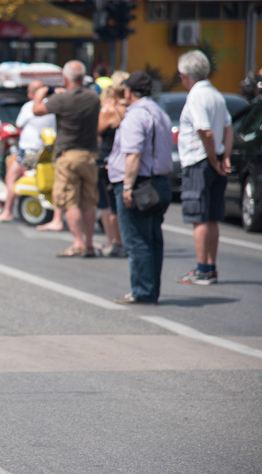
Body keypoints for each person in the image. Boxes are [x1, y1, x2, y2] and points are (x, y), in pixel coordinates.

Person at [107, 71, 173, 304]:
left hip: (140, 185)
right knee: (152, 238)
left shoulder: (136, 115)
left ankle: (143, 292)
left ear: (128, 92)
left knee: (137, 241)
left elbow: (133, 154)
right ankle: (149, 289)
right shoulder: (159, 112)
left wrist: (127, 187)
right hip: (158, 182)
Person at [32, 60, 101, 257]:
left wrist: (39, 97)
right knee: (88, 201)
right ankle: (89, 244)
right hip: (89, 154)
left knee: (70, 201)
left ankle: (78, 243)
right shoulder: (93, 98)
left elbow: (37, 110)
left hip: (68, 155)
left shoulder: (61, 100)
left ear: (65, 78)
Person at [176, 50, 233, 285]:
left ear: (186, 75)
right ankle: (210, 267)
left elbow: (205, 131)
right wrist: (224, 156)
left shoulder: (196, 96)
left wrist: (212, 159)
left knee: (199, 217)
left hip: (200, 161)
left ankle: (202, 269)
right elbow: (228, 128)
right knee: (211, 218)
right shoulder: (216, 95)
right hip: (214, 158)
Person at [0, 80, 56, 223]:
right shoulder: (51, 106)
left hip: (29, 151)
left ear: (33, 93)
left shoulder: (29, 107)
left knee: (11, 177)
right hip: (47, 151)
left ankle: (7, 211)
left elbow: (18, 125)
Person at [96, 71, 129, 256]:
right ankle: (120, 241)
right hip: (124, 159)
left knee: (109, 204)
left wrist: (103, 110)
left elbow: (97, 132)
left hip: (108, 160)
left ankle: (115, 241)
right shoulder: (132, 109)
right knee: (119, 202)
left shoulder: (110, 111)